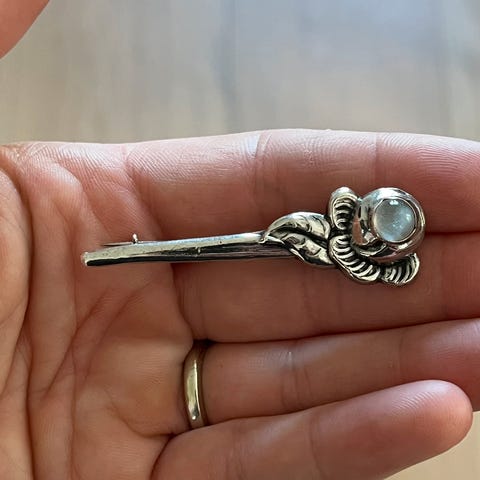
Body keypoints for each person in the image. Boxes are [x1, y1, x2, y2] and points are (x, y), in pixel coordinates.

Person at [1, 2, 479, 479]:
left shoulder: (351, 252)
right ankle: (116, 256)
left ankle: (119, 256)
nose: (365, 229)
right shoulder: (338, 222)